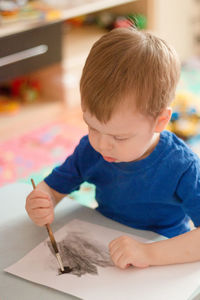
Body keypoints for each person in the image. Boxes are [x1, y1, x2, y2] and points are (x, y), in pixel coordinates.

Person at [26, 26, 200, 269]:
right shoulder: (91, 150)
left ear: (160, 121)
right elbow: (53, 189)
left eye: (120, 137)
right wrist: (42, 202)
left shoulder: (183, 166)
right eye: (92, 127)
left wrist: (147, 254)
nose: (101, 143)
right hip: (105, 250)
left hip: (163, 261)